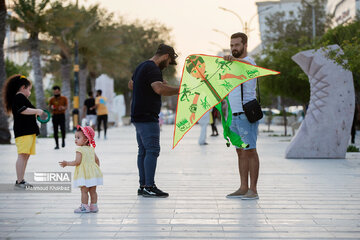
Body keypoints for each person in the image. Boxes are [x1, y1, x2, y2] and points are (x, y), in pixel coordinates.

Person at [128, 43, 179, 198]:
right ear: (165, 56)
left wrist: (146, 87)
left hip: (138, 115)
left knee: (143, 151)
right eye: (169, 61)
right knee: (152, 150)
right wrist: (181, 89)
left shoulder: (142, 66)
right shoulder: (153, 68)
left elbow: (131, 84)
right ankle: (149, 186)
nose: (168, 65)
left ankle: (143, 186)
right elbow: (159, 89)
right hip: (147, 116)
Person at [224, 32, 260, 200]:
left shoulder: (249, 63)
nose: (234, 48)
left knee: (250, 150)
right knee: (240, 151)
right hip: (234, 115)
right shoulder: (233, 65)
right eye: (231, 45)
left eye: (237, 45)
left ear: (245, 45)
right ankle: (243, 187)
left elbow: (246, 66)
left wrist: (233, 60)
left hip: (246, 115)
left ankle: (253, 189)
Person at [2, 75, 43, 188]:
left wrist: (35, 114)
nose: (30, 92)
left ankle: (21, 180)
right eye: (29, 89)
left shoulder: (21, 98)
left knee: (25, 156)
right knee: (22, 155)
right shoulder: (19, 96)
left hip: (28, 132)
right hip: (24, 132)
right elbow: (23, 110)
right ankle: (20, 181)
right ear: (23, 87)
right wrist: (37, 110)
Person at [59, 125, 103, 213]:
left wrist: (67, 163)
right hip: (93, 174)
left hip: (84, 175)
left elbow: (77, 162)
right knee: (93, 191)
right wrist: (95, 170)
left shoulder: (79, 149)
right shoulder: (91, 149)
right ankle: (94, 206)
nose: (75, 139)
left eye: (78, 137)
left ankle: (84, 207)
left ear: (86, 140)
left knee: (84, 191)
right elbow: (97, 160)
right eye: (75, 137)